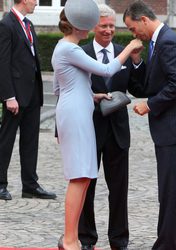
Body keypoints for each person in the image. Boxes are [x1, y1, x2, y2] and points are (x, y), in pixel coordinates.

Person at [51, 1, 143, 250]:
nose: (102, 28)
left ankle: (72, 238)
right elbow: (105, 70)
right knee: (80, 177)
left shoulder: (64, 47)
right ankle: (71, 239)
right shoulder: (72, 49)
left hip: (80, 111)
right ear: (82, 27)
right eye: (95, 23)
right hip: (79, 116)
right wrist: (131, 49)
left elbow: (61, 87)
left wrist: (92, 96)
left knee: (82, 176)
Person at [123, 1, 176, 250]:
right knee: (174, 191)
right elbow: (148, 85)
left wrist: (150, 105)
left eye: (132, 28)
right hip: (171, 128)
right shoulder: (157, 42)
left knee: (170, 191)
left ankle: (167, 245)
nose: (133, 34)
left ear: (143, 20)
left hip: (175, 128)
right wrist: (136, 61)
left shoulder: (168, 41)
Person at [78, 4, 144, 250]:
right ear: (93, 26)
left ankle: (119, 241)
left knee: (119, 190)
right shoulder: (80, 52)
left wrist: (136, 62)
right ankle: (86, 239)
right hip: (89, 128)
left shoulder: (124, 52)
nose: (108, 31)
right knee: (87, 187)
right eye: (103, 26)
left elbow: (140, 89)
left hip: (118, 131)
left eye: (111, 26)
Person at [0, 0, 56, 200]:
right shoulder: (6, 24)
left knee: (31, 141)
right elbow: (3, 63)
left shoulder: (29, 24)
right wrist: (9, 96)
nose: (36, 2)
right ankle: (0, 184)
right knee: (5, 140)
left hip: (33, 92)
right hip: (15, 95)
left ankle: (30, 185)